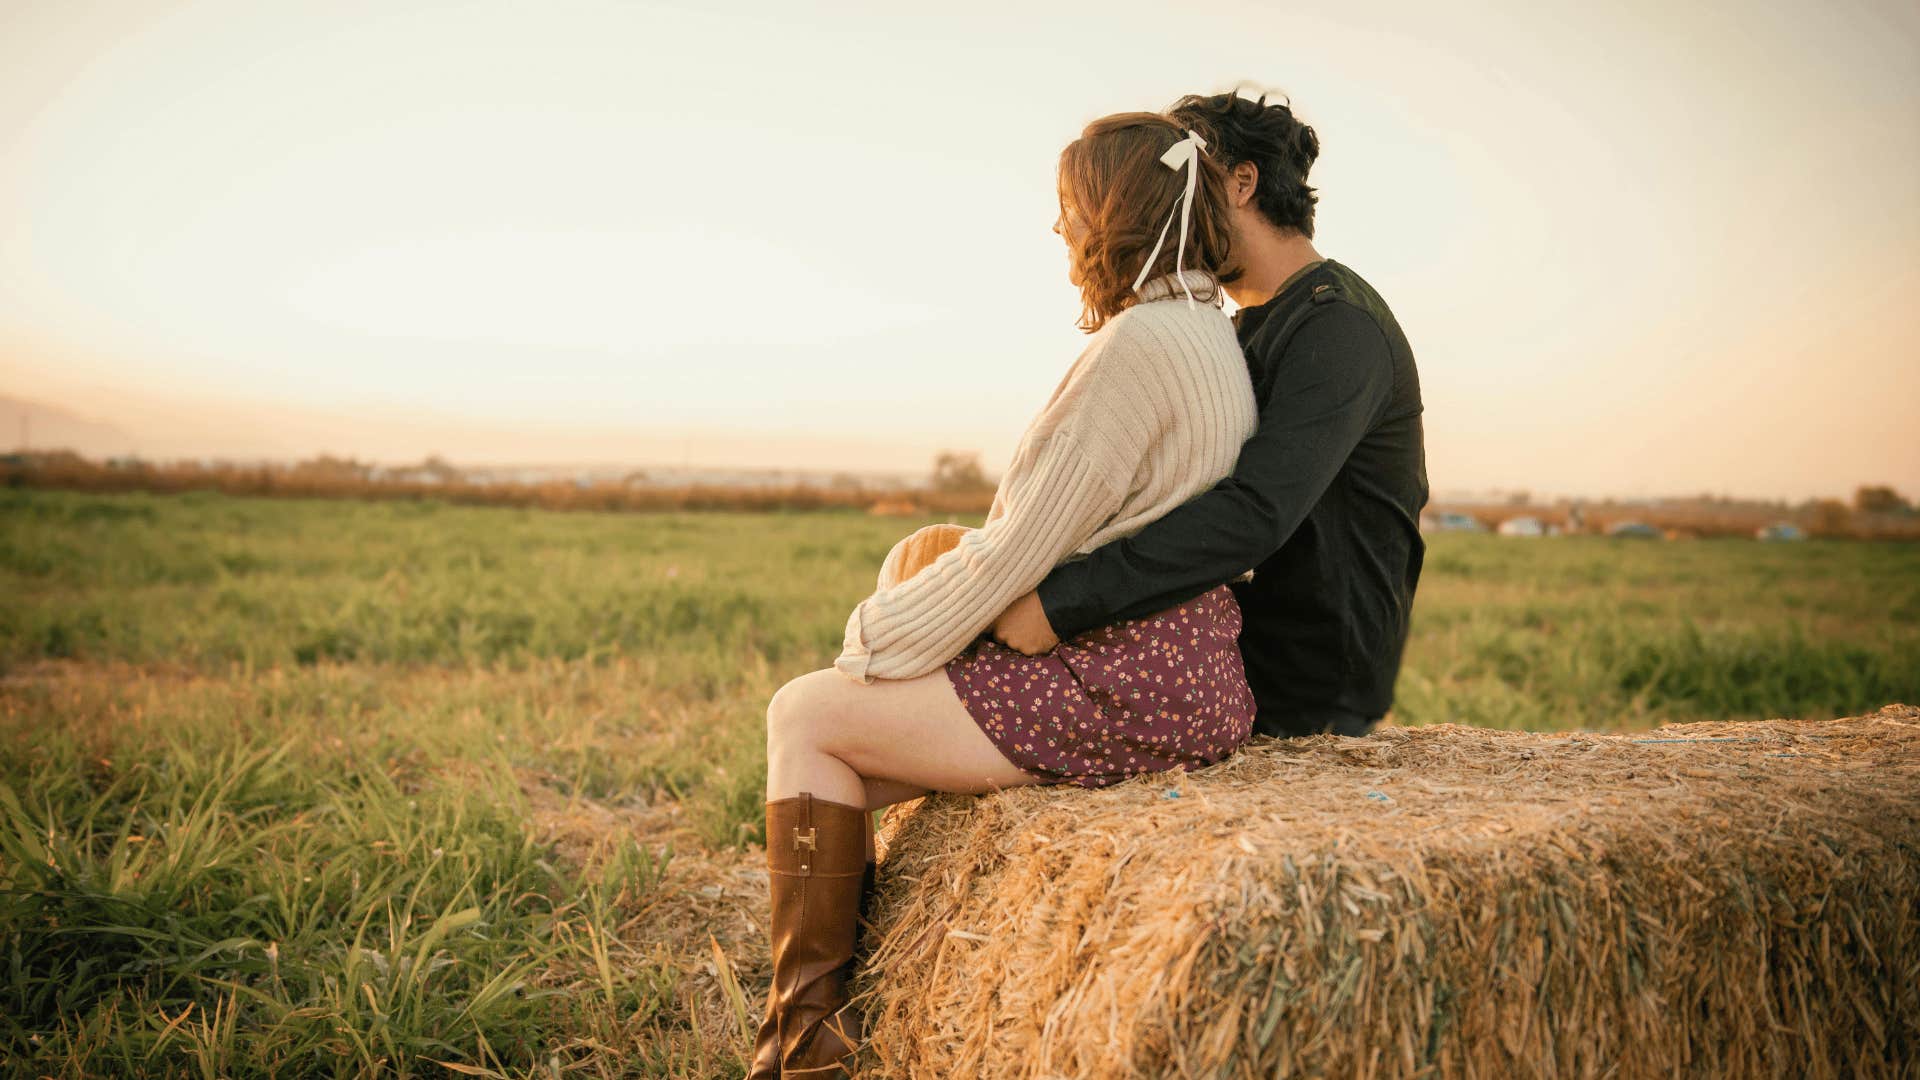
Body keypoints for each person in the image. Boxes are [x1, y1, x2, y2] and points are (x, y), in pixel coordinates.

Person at [749, 112, 1261, 1077]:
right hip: (1186, 672)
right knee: (846, 755)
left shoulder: (1136, 350)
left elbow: (1019, 550)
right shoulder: (1205, 333)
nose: (1061, 234)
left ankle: (802, 1045)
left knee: (807, 715)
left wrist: (875, 634)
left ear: (1110, 218)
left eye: (1069, 212)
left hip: (1121, 679)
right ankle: (841, 1019)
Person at [991, 90, 1430, 740]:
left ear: (1242, 183)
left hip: (1303, 693)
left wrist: (1060, 604)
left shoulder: (1338, 326)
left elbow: (1255, 511)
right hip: (1215, 658)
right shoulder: (1225, 327)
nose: (1170, 204)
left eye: (1186, 182)